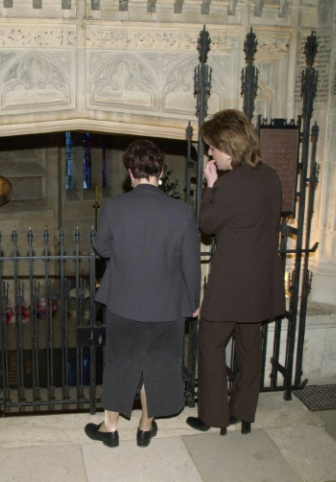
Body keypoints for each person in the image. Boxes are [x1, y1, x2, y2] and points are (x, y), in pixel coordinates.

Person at [85, 139, 201, 448]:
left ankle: (110, 428)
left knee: (120, 361)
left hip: (123, 302)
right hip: (168, 306)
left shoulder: (114, 206)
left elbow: (103, 248)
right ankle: (145, 427)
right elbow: (191, 263)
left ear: (130, 171)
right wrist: (193, 302)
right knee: (159, 365)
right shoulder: (183, 212)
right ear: (161, 171)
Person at [186, 109, 285, 436]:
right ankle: (244, 412)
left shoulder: (230, 185)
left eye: (212, 147)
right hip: (260, 281)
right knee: (249, 346)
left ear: (228, 146)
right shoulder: (270, 176)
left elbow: (207, 225)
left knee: (210, 344)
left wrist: (211, 186)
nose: (209, 153)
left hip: (231, 283)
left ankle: (214, 415)